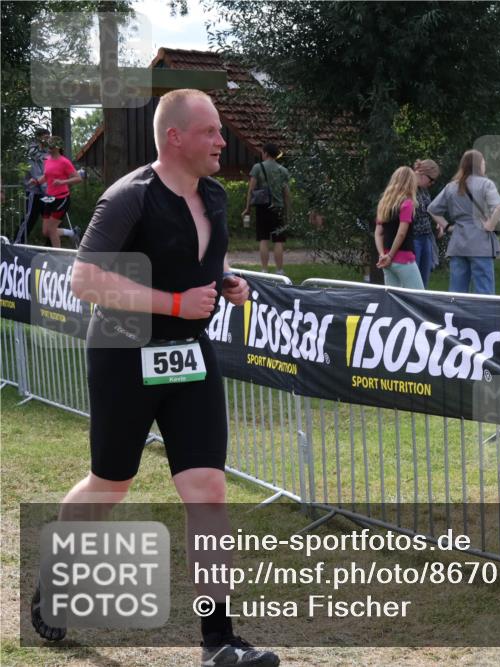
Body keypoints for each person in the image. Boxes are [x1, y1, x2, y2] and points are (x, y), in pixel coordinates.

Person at [32, 89, 279, 667]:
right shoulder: (129, 197)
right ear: (175, 137)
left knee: (207, 491)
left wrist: (227, 280)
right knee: (110, 485)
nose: (223, 141)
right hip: (123, 352)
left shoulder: (213, 196)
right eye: (212, 132)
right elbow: (85, 281)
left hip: (189, 355)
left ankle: (219, 642)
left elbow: (201, 261)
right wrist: (173, 302)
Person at [427, 149, 500, 294]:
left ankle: (455, 317)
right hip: (481, 243)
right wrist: (490, 225)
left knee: (457, 292)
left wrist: (447, 226)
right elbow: (499, 209)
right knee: (484, 291)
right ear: (479, 164)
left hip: (458, 242)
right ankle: (483, 317)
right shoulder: (486, 184)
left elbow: (432, 209)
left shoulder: (451, 186)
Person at [242, 142, 290, 274]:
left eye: (262, 152)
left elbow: (251, 189)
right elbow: (286, 194)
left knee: (263, 239)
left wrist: (248, 208)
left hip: (262, 208)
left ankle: (264, 269)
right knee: (278, 241)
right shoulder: (283, 170)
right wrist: (287, 212)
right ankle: (280, 270)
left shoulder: (257, 168)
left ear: (266, 153)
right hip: (278, 208)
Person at [374, 166, 424, 289]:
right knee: (420, 296)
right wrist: (390, 256)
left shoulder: (384, 203)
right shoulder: (407, 203)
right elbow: (401, 233)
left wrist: (382, 255)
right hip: (403, 258)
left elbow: (378, 233)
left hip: (386, 260)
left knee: (394, 298)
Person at [38, 135, 81, 249]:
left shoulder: (64, 162)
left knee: (52, 230)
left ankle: (58, 256)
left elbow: (78, 178)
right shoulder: (47, 159)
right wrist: (37, 181)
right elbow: (47, 176)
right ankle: (72, 233)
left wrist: (62, 182)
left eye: (51, 145)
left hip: (62, 198)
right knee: (45, 232)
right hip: (49, 198)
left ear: (57, 147)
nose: (49, 147)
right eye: (48, 145)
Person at [18, 127, 51, 244]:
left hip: (46, 191)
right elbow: (36, 173)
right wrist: (48, 189)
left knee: (50, 220)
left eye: (49, 137)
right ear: (39, 138)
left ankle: (51, 248)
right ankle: (17, 244)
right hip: (35, 191)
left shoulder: (47, 152)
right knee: (29, 219)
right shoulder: (32, 152)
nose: (48, 140)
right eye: (45, 137)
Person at [412, 158, 441, 287]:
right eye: (431, 180)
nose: (432, 184)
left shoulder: (424, 190)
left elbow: (429, 209)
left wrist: (439, 223)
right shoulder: (409, 188)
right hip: (413, 238)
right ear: (423, 174)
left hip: (426, 237)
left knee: (424, 279)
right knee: (413, 278)